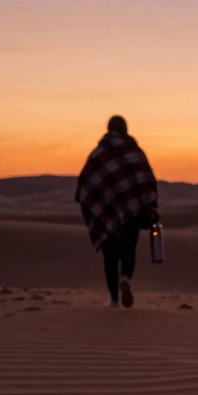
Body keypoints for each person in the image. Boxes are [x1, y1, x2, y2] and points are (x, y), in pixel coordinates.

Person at [75, 115, 159, 308]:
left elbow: (86, 182)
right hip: (131, 212)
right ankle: (126, 278)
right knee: (128, 248)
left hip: (106, 214)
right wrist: (151, 206)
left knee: (110, 255)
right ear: (125, 129)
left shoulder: (98, 154)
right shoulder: (135, 152)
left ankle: (113, 299)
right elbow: (147, 180)